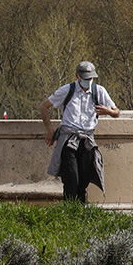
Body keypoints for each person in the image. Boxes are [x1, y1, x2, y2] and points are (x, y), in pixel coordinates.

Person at [40, 60, 120, 202]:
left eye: (91, 78)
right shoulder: (67, 90)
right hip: (69, 139)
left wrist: (108, 111)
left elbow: (117, 112)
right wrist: (49, 130)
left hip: (87, 140)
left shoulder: (99, 91)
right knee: (71, 178)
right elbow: (44, 106)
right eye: (86, 78)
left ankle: (80, 210)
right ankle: (69, 209)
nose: (88, 81)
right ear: (78, 76)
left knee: (83, 180)